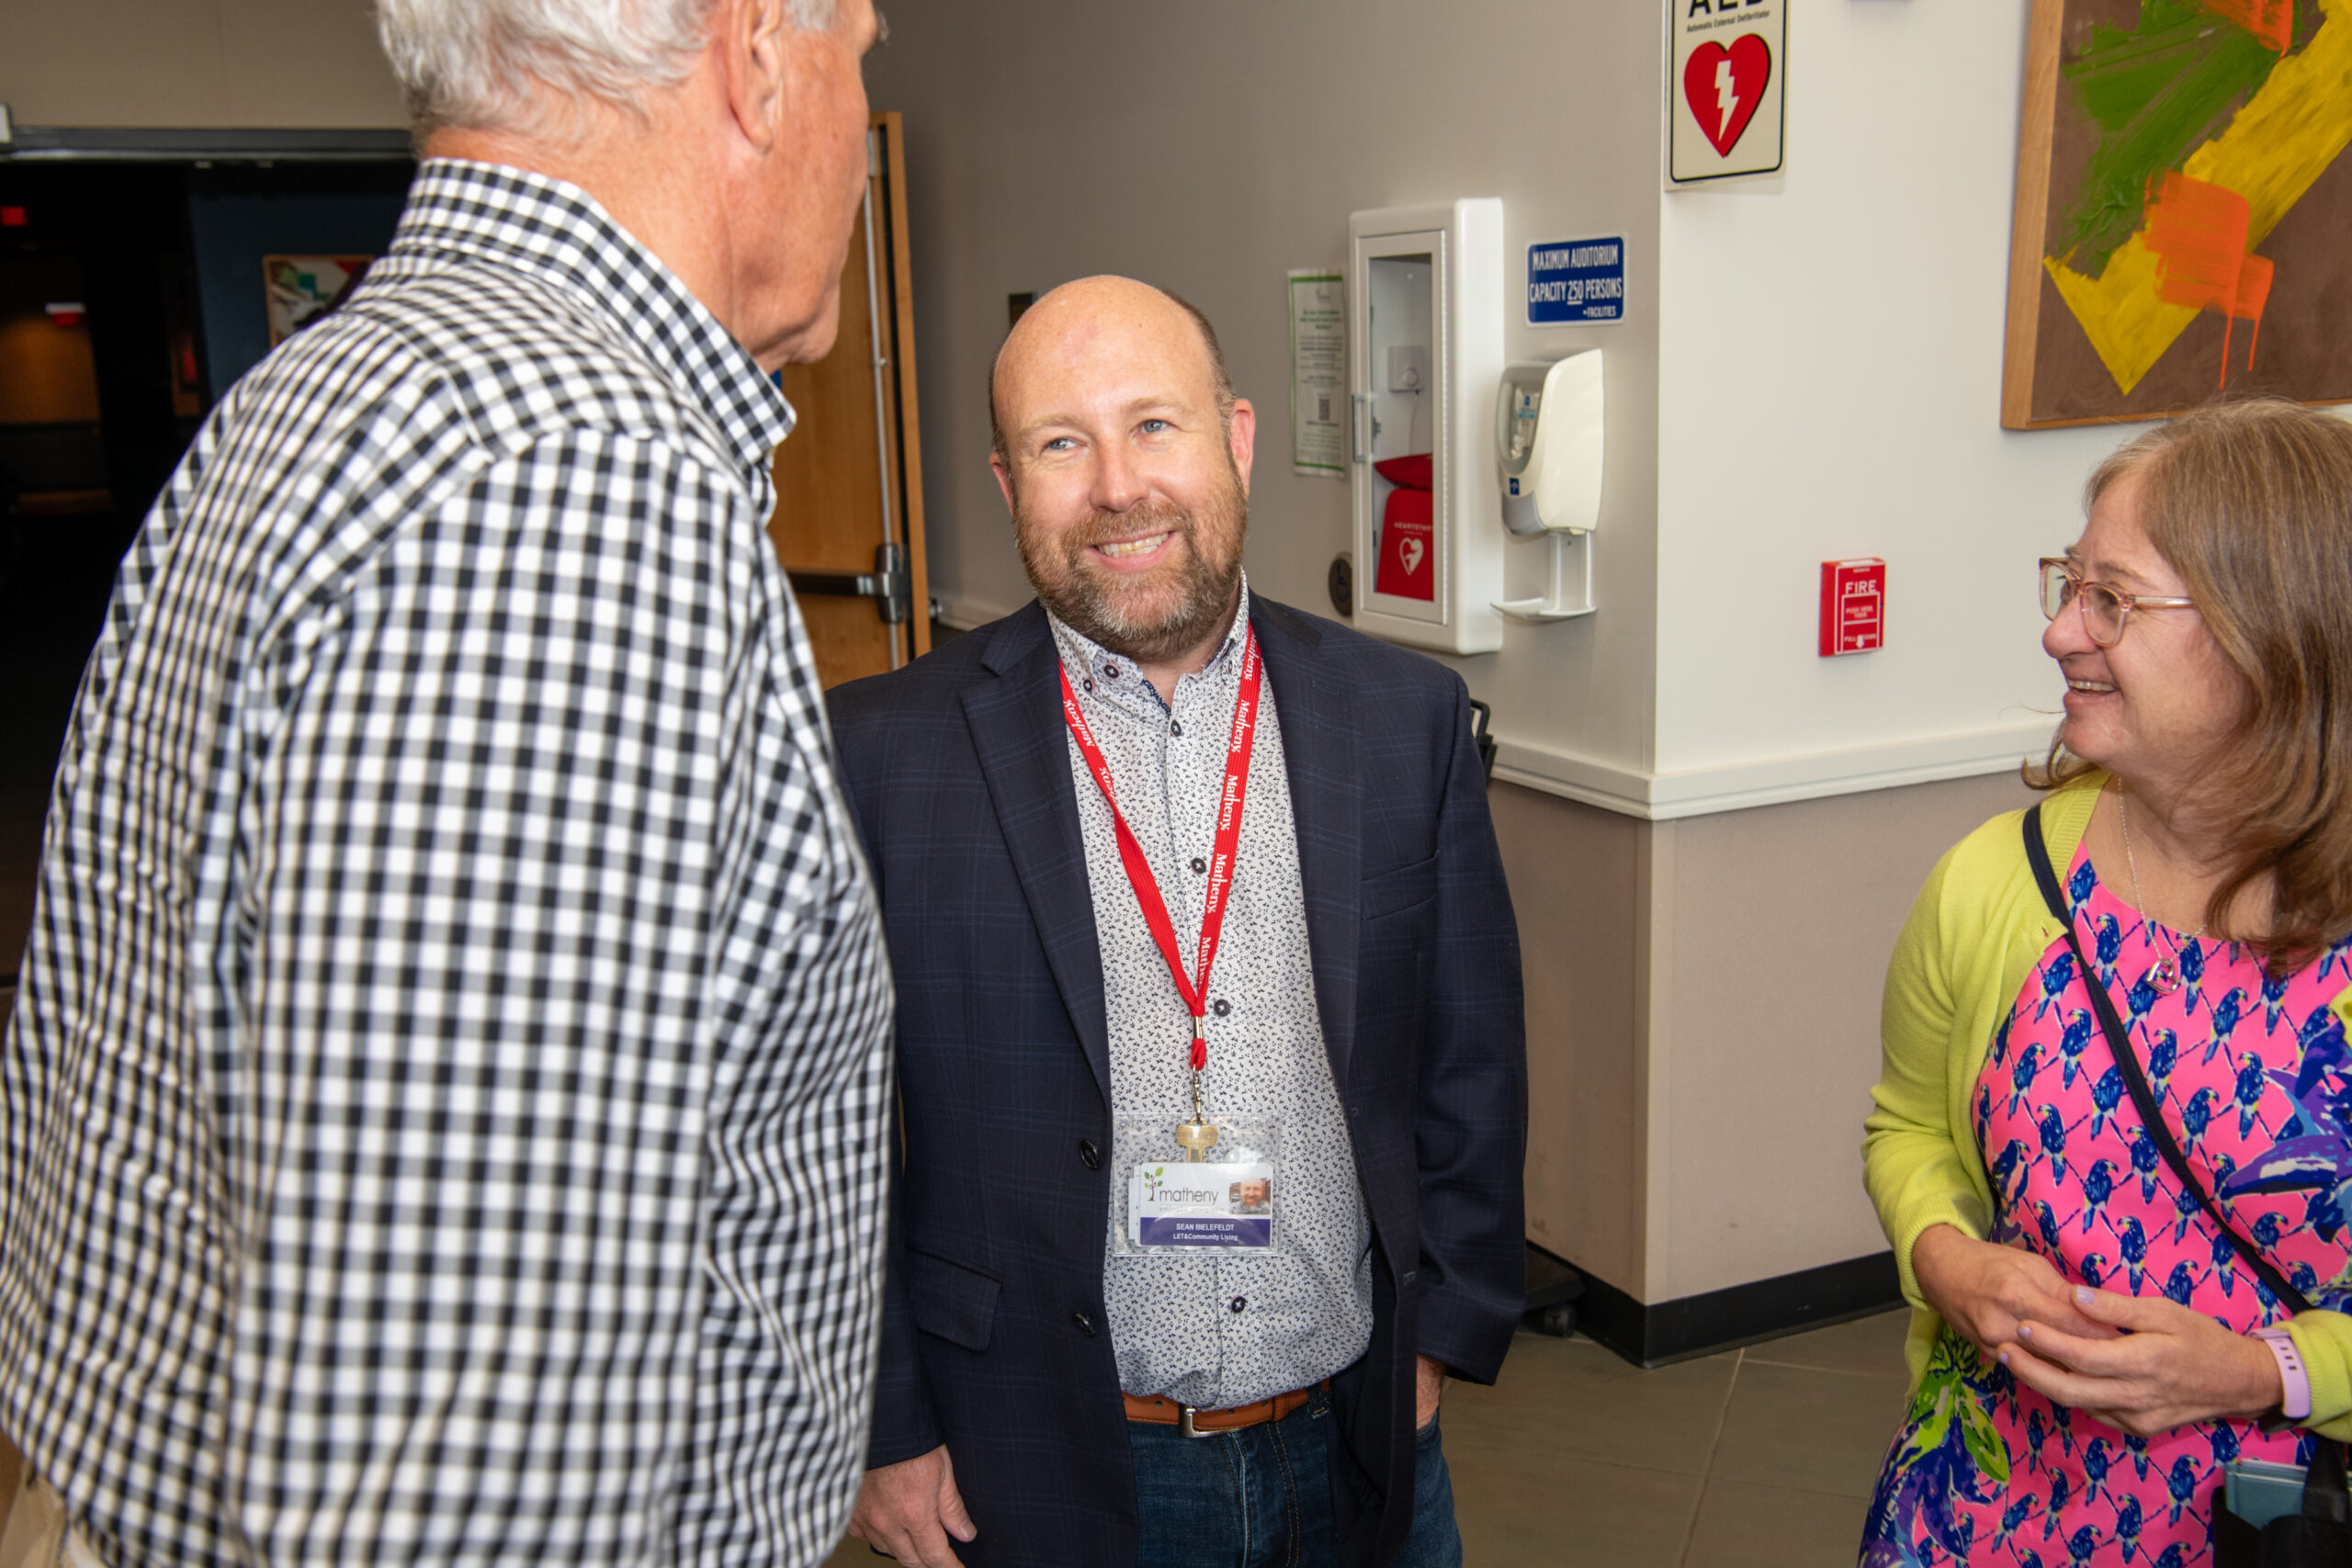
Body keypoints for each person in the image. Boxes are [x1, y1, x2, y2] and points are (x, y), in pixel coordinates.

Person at [0, 2, 895, 1563]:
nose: (862, 137)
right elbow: (454, 1481)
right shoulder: (572, 478)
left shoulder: (335, 389)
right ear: (755, 53)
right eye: (858, 51)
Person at [825, 276, 1527, 1568]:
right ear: (1007, 483)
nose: (1117, 487)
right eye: (1061, 443)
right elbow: (824, 1133)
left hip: (1358, 1436)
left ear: (1236, 438)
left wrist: (1438, 1341)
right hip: (1039, 1460)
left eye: (1154, 424)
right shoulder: (878, 756)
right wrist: (883, 1422)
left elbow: (1469, 1056)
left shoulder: (1401, 719)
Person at [1860, 399, 2352, 1563]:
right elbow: (1907, 1130)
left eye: (2113, 600)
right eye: (2068, 583)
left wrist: (2265, 1371)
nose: (2059, 632)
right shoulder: (1997, 882)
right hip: (1976, 1510)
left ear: (2272, 635)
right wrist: (1944, 1257)